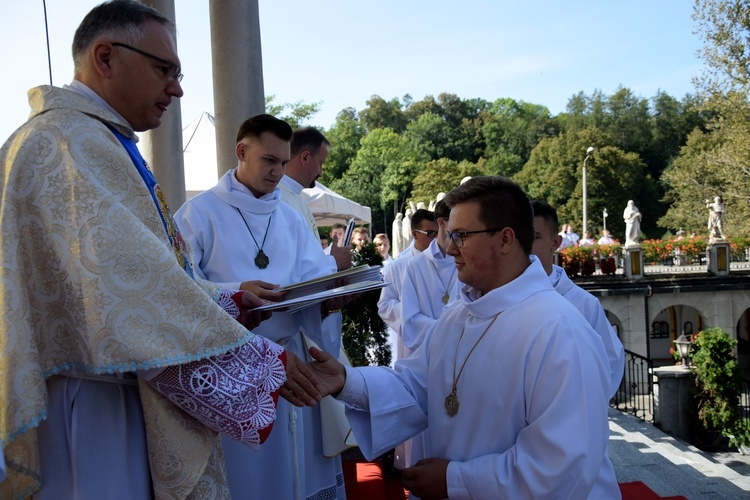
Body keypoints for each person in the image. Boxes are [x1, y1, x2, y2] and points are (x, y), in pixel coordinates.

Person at [0, 2, 320, 497]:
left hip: (127, 390)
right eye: (164, 69)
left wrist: (228, 301)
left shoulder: (98, 140)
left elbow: (153, 274)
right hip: (94, 408)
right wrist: (263, 365)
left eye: (180, 73)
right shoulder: (65, 143)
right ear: (105, 58)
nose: (178, 87)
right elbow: (129, 298)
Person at [307, 176, 619, 499]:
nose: (450, 248)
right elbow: (416, 386)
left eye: (462, 236)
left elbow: (560, 465)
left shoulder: (559, 330)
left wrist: (455, 481)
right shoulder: (457, 316)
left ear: (506, 239)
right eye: (450, 235)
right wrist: (347, 381)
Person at [174, 114, 346, 500]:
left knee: (294, 474)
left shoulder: (289, 216)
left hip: (290, 362)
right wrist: (237, 292)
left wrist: (329, 299)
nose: (278, 172)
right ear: (241, 152)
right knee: (246, 480)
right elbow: (176, 287)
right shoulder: (197, 214)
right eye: (269, 161)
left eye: (284, 163)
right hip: (232, 366)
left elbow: (314, 276)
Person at [531, 201, 625, 397]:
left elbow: (610, 362)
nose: (526, 246)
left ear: (555, 242)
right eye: (521, 237)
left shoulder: (584, 304)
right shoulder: (500, 296)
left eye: (535, 237)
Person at [395, 199, 460, 469]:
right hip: (425, 358)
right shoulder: (413, 265)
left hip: (461, 361)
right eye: (458, 232)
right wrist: (449, 330)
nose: (460, 241)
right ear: (443, 224)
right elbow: (408, 320)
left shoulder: (467, 260)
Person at [280, 126, 351, 272]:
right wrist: (333, 263)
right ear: (305, 157)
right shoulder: (277, 198)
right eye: (321, 163)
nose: (321, 173)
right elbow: (288, 267)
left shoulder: (293, 195)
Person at [378, 209, 437, 366]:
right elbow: (385, 305)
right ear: (415, 234)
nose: (437, 239)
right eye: (430, 233)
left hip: (445, 340)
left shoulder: (449, 261)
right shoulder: (399, 266)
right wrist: (414, 318)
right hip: (413, 344)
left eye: (439, 233)